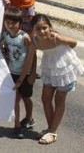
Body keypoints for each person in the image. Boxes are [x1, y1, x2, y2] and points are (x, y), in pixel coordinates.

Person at [30, 14, 84, 145]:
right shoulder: (35, 41)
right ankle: (51, 129)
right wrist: (31, 73)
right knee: (45, 98)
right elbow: (31, 57)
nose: (42, 31)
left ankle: (52, 131)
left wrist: (63, 52)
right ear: (33, 30)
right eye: (38, 28)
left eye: (45, 27)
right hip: (50, 69)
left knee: (59, 100)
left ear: (50, 28)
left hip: (65, 69)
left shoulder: (56, 37)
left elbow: (74, 43)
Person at [0, 7, 36, 139]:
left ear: (20, 23)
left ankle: (29, 118)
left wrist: (32, 73)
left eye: (13, 23)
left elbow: (33, 55)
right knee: (15, 99)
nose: (10, 25)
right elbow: (2, 47)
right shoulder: (7, 36)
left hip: (25, 74)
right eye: (7, 22)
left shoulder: (24, 37)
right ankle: (17, 125)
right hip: (13, 72)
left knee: (26, 98)